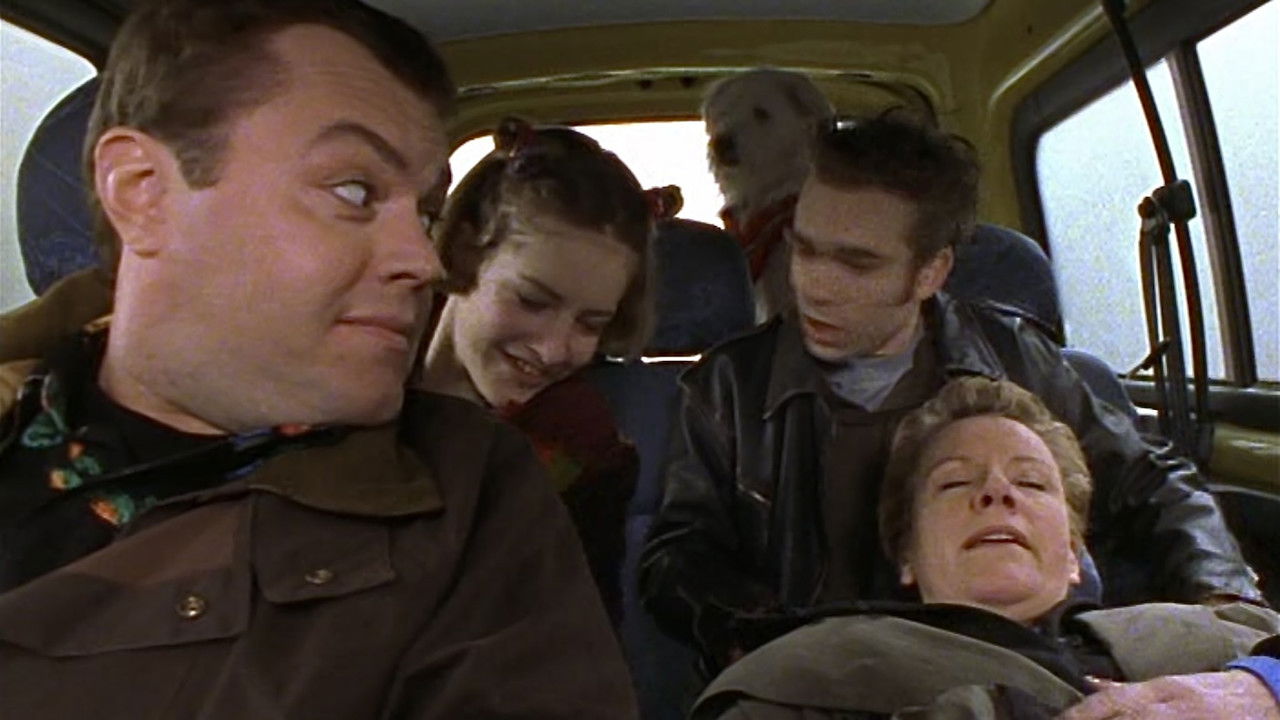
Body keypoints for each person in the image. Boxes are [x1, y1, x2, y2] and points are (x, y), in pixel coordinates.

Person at [0, 1, 637, 717]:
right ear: (142, 191)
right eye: (355, 191)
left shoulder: (472, 498)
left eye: (425, 212)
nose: (425, 260)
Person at [639, 110, 1260, 675]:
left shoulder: (1016, 358)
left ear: (929, 273)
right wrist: (758, 634)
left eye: (857, 264)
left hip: (1019, 671)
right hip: (825, 678)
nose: (814, 286)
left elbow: (1153, 482)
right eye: (803, 249)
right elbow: (678, 556)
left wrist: (1224, 604)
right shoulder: (728, 386)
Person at [690, 378, 1279, 720]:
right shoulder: (801, 682)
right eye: (954, 483)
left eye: (1031, 482)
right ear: (907, 556)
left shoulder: (1206, 633)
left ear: (1073, 555)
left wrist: (1263, 686)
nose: (998, 491)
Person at [421, 117, 661, 624]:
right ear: (466, 252)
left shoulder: (585, 455)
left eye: (591, 324)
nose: (553, 350)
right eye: (532, 301)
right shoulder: (344, 383)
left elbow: (583, 636)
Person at [702, 68, 833, 321]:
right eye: (722, 119)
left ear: (808, 127)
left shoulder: (811, 227)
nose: (726, 134)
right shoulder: (752, 229)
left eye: (761, 116)